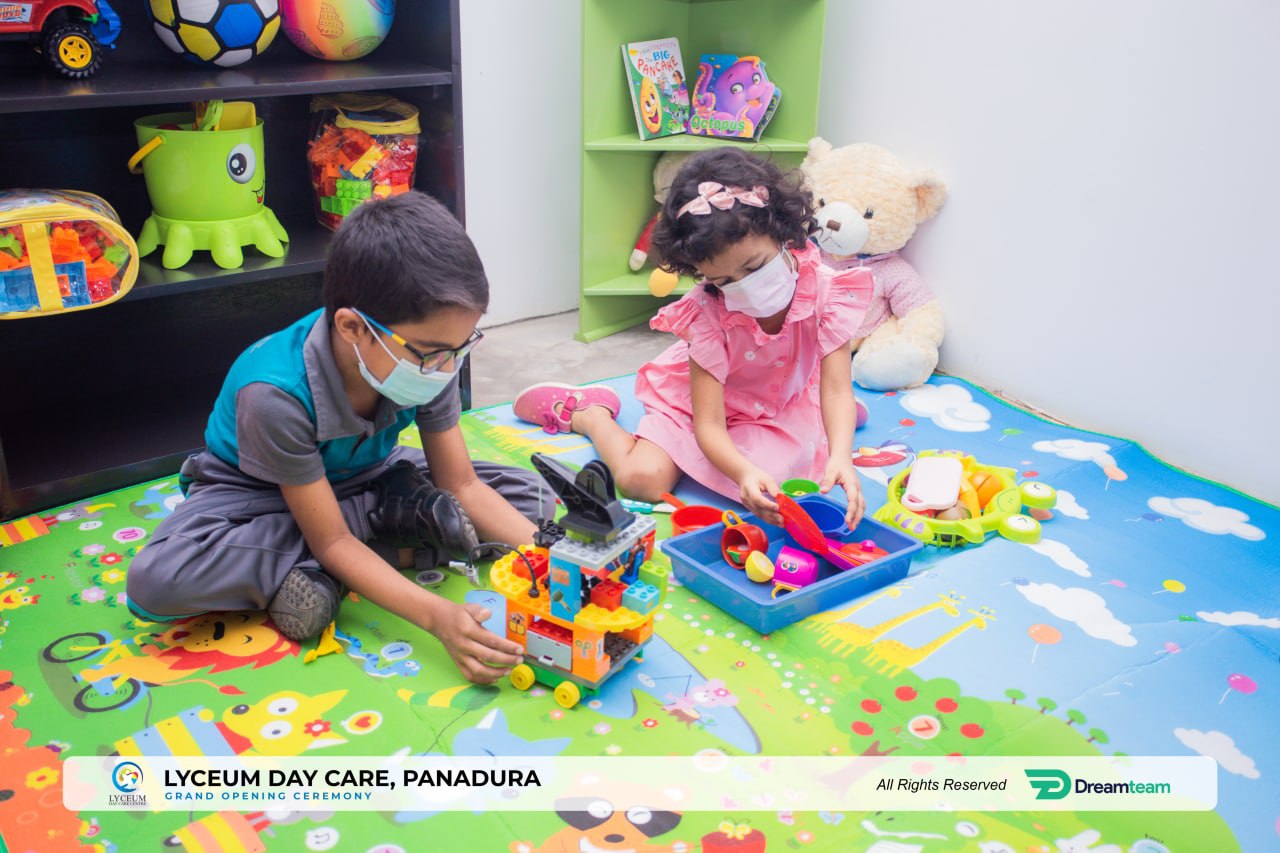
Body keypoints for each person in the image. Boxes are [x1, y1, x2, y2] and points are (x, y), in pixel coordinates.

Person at [126, 192, 550, 684]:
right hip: (257, 497)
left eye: (461, 347)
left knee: (532, 502)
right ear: (352, 327)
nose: (448, 367)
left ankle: (365, 551)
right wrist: (437, 616)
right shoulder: (274, 393)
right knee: (159, 579)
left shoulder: (431, 356)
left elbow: (464, 485)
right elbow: (330, 539)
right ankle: (397, 532)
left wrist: (556, 559)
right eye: (434, 353)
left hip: (369, 475)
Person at [514, 148, 873, 528]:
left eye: (754, 267)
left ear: (781, 231)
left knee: (789, 480)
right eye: (723, 281)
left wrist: (841, 457)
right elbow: (710, 427)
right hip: (704, 405)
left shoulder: (827, 292)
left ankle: (811, 414)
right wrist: (742, 473)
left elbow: (835, 390)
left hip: (774, 401)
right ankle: (590, 414)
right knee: (640, 480)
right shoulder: (707, 315)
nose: (746, 289)